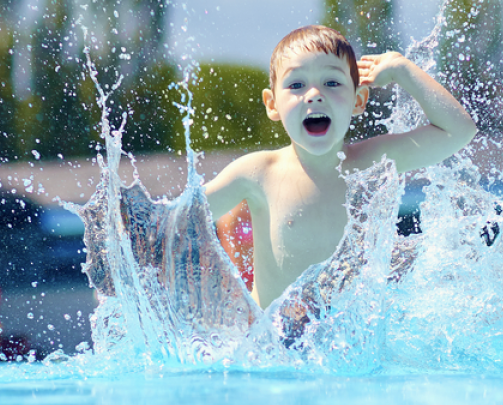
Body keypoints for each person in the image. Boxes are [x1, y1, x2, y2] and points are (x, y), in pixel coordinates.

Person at [204, 25, 477, 308]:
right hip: (275, 346)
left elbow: (459, 131)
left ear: (358, 100)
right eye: (296, 85)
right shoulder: (258, 173)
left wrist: (403, 70)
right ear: (272, 104)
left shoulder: (373, 162)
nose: (313, 95)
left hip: (347, 344)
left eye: (332, 83)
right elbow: (180, 220)